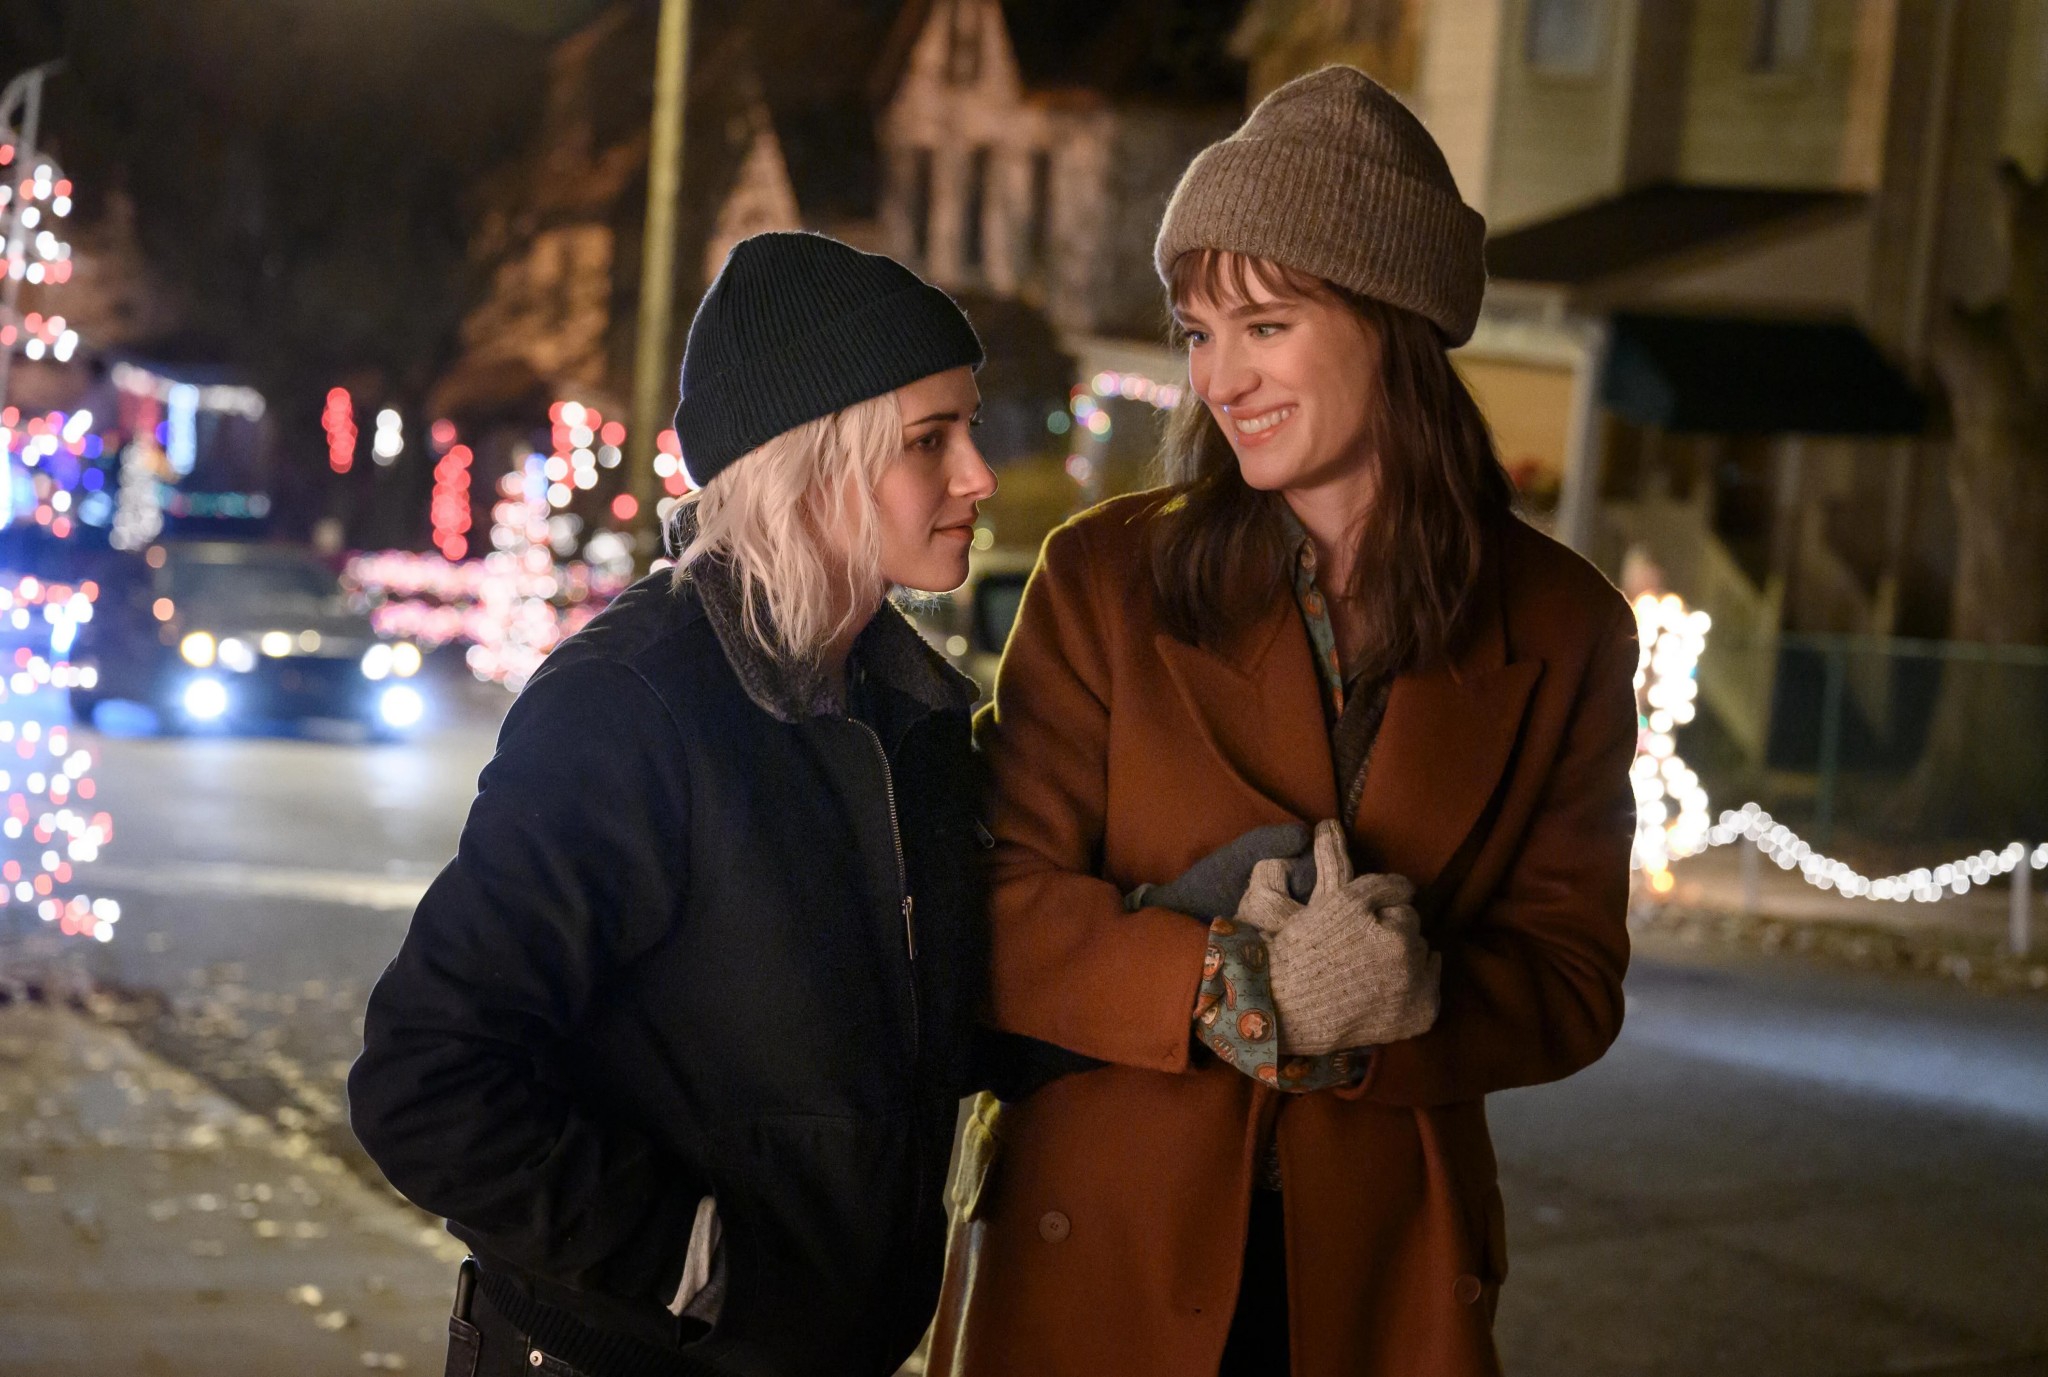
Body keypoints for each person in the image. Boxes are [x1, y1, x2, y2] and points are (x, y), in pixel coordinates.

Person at [928, 68, 1640, 1377]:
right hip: (1104, 1247)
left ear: (1391, 322)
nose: (1219, 377)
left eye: (1263, 324)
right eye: (1198, 332)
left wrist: (1415, 1000)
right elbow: (998, 907)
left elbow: (1572, 979)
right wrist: (1227, 987)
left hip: (1376, 1271)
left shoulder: (1565, 624)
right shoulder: (1103, 578)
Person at [350, 231, 998, 1377]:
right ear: (812, 459)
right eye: (927, 439)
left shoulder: (913, 720)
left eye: (970, 429)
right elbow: (426, 1081)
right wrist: (689, 1266)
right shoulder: (632, 704)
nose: (977, 475)